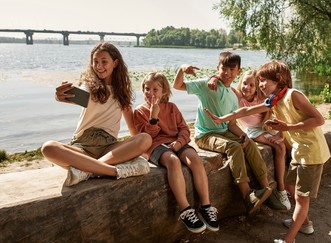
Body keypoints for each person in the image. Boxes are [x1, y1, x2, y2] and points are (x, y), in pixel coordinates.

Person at [205, 60, 331, 243]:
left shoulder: (293, 95)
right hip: (300, 151)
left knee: (300, 198)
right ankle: (304, 224)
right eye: (259, 81)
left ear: (279, 80)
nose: (260, 84)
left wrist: (287, 129)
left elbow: (319, 119)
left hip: (312, 153)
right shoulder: (273, 100)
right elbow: (246, 111)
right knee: (290, 187)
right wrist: (223, 119)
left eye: (264, 81)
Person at [173, 51, 273, 215]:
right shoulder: (207, 85)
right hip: (205, 135)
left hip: (224, 131)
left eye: (232, 69)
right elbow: (178, 86)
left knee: (248, 143)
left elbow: (232, 123)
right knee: (234, 147)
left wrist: (243, 134)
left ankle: (266, 188)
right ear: (217, 68)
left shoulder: (232, 95)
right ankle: (247, 195)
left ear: (238, 72)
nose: (227, 73)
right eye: (224, 68)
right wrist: (182, 69)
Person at [41, 42, 152, 187]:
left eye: (104, 62)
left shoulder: (121, 93)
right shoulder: (89, 85)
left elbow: (133, 130)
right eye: (95, 62)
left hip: (109, 149)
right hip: (82, 148)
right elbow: (78, 96)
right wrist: (59, 95)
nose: (99, 66)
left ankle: (88, 170)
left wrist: (141, 149)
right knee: (48, 148)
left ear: (115, 63)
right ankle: (113, 171)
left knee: (145, 139)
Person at [133, 72, 219, 233]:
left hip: (177, 142)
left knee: (195, 159)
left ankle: (206, 206)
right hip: (155, 146)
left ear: (164, 91)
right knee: (173, 161)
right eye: (146, 89)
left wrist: (179, 142)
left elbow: (184, 129)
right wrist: (153, 117)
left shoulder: (172, 107)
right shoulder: (139, 111)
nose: (150, 93)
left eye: (155, 89)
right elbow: (146, 138)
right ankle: (185, 209)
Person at [208, 70, 291, 211]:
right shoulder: (237, 95)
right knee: (280, 147)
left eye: (252, 85)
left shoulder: (261, 97)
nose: (247, 87)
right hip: (252, 130)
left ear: (257, 87)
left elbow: (276, 105)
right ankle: (281, 190)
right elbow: (226, 82)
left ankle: (290, 182)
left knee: (288, 144)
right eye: (245, 83)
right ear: (240, 82)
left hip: (265, 126)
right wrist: (215, 77)